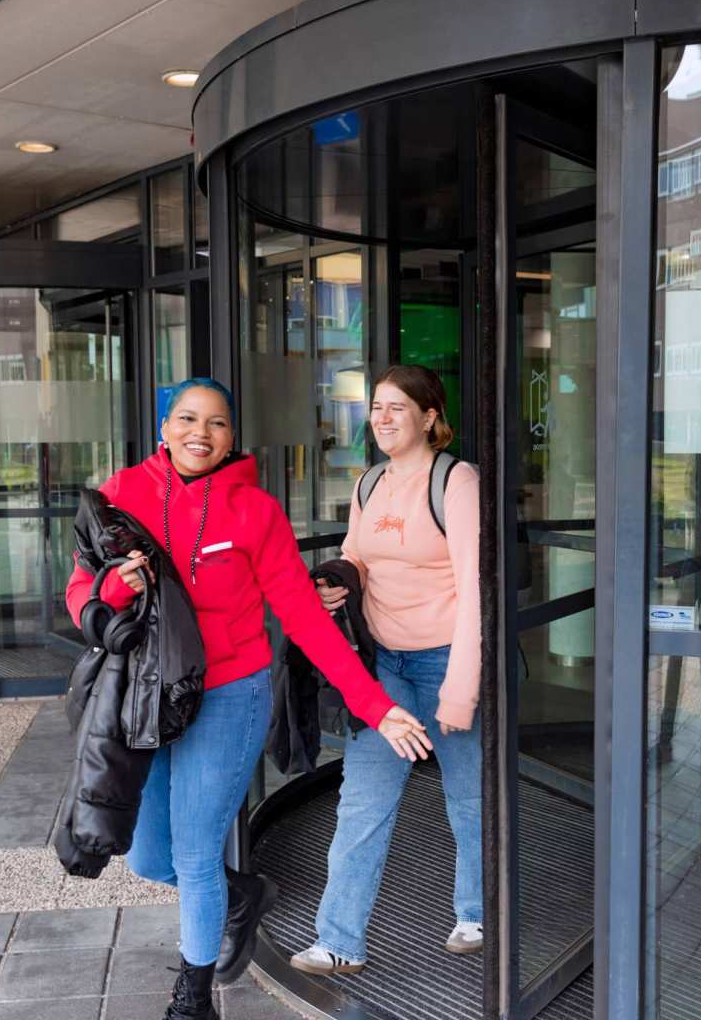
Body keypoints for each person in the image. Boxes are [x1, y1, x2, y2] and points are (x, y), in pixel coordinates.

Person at [65, 377, 432, 1020]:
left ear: (232, 437)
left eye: (216, 424)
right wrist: (113, 593)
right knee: (151, 858)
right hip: (147, 697)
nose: (199, 434)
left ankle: (194, 998)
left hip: (229, 695)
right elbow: (81, 595)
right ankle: (242, 896)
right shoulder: (121, 496)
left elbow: (305, 618)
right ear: (164, 428)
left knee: (195, 854)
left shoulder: (254, 511)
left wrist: (374, 706)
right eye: (187, 419)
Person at [291, 364, 482, 975]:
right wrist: (338, 583)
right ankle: (339, 940)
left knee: (469, 796)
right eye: (377, 407)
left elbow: (478, 590)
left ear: (430, 416)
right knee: (364, 798)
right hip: (384, 663)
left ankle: (476, 910)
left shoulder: (457, 481)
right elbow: (357, 554)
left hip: (447, 657)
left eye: (398, 407)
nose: (383, 418)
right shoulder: (369, 482)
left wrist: (461, 690)